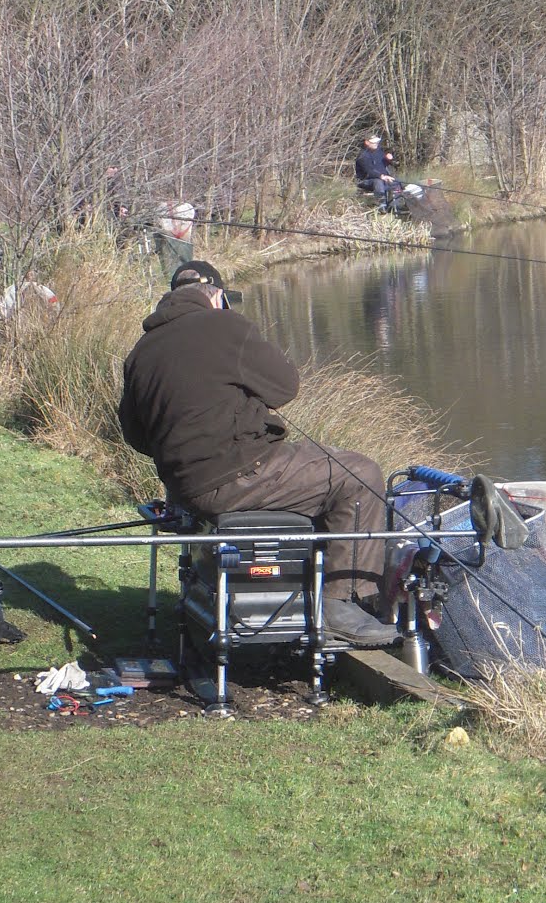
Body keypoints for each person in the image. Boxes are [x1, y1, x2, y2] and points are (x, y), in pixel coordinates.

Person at [118, 260, 399, 647]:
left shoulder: (141, 351)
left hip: (184, 489)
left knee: (330, 470)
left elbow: (136, 436)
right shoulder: (226, 326)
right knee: (360, 475)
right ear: (217, 296)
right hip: (239, 475)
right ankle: (342, 605)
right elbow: (286, 387)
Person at [353, 133, 401, 211]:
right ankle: (382, 207)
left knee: (396, 182)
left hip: (382, 178)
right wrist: (382, 176)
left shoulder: (379, 152)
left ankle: (395, 207)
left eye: (377, 142)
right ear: (367, 142)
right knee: (378, 182)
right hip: (366, 180)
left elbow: (392, 164)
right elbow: (369, 172)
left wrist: (390, 160)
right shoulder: (363, 156)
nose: (376, 143)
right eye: (374, 142)